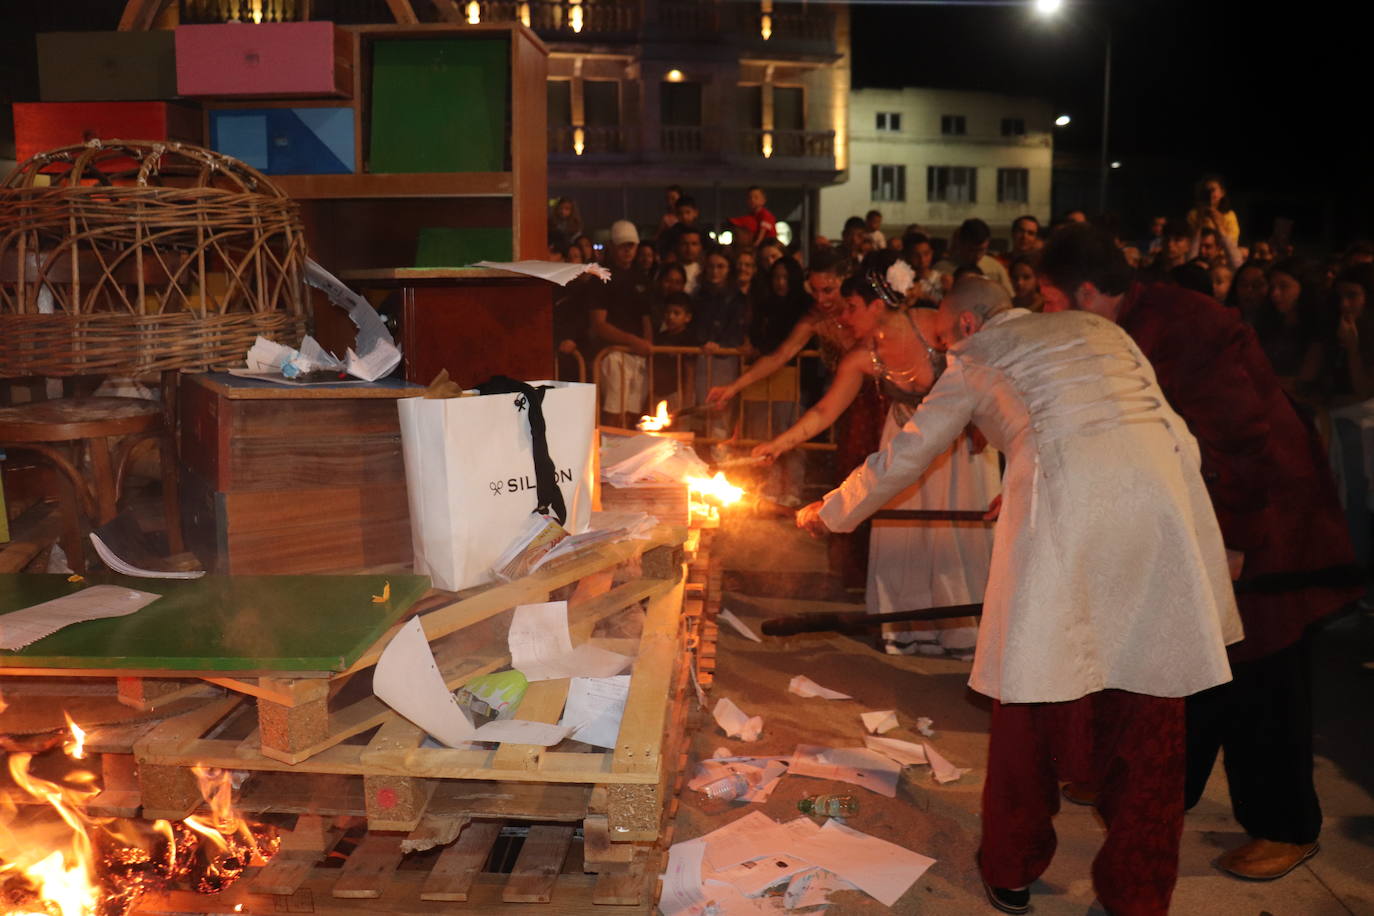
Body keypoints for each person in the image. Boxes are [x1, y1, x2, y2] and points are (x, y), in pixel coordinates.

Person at [798, 276, 1241, 915]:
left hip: (1065, 509)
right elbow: (1172, 432)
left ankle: (1011, 866)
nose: (945, 350)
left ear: (969, 327)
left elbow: (907, 453)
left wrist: (830, 512)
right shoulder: (1100, 328)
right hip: (1163, 503)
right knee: (1151, 704)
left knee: (1031, 696)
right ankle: (1138, 896)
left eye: (945, 337)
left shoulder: (977, 356)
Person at [1038, 223, 1360, 883]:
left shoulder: (1184, 327)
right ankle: (1157, 785)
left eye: (1049, 299)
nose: (1047, 314)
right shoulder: (1124, 323)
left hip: (1266, 522)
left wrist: (1239, 540)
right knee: (1191, 663)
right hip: (1204, 517)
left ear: (1089, 292)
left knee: (1262, 679)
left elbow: (1242, 439)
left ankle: (1286, 826)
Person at [756, 272, 999, 655]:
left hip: (957, 448)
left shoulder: (933, 324)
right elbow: (824, 410)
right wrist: (778, 444)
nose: (844, 317)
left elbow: (983, 367)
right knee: (904, 543)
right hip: (906, 440)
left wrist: (984, 417)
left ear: (877, 304)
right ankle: (910, 632)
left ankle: (967, 636)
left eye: (852, 307)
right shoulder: (860, 357)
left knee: (954, 539)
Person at [590, 220, 654, 425]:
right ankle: (610, 454)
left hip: (637, 355)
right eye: (622, 245)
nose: (627, 250)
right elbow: (599, 323)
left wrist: (647, 346)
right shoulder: (601, 277)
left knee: (633, 415)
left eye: (631, 245)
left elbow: (646, 318)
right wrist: (632, 341)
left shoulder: (641, 277)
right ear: (612, 246)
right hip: (612, 354)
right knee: (614, 412)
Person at [934, 218, 1013, 294]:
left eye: (982, 250)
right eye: (972, 250)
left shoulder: (995, 268)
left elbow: (1008, 296)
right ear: (961, 243)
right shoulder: (942, 269)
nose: (977, 255)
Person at [652, 293, 695, 410]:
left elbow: (689, 370)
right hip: (658, 391)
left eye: (676, 313)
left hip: (677, 392)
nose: (670, 317)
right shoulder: (660, 337)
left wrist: (687, 399)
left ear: (687, 317)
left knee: (679, 427)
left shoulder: (689, 339)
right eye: (667, 313)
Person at [1188, 173, 1241, 244]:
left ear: (1222, 192)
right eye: (1206, 191)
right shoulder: (1193, 214)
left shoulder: (1229, 215)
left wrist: (1219, 224)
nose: (1210, 194)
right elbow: (1188, 241)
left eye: (1213, 190)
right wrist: (1199, 221)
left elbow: (1233, 242)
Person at [903, 231, 949, 305]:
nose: (922, 259)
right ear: (907, 256)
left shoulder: (943, 280)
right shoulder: (903, 281)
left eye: (926, 254)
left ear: (931, 253)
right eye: (916, 255)